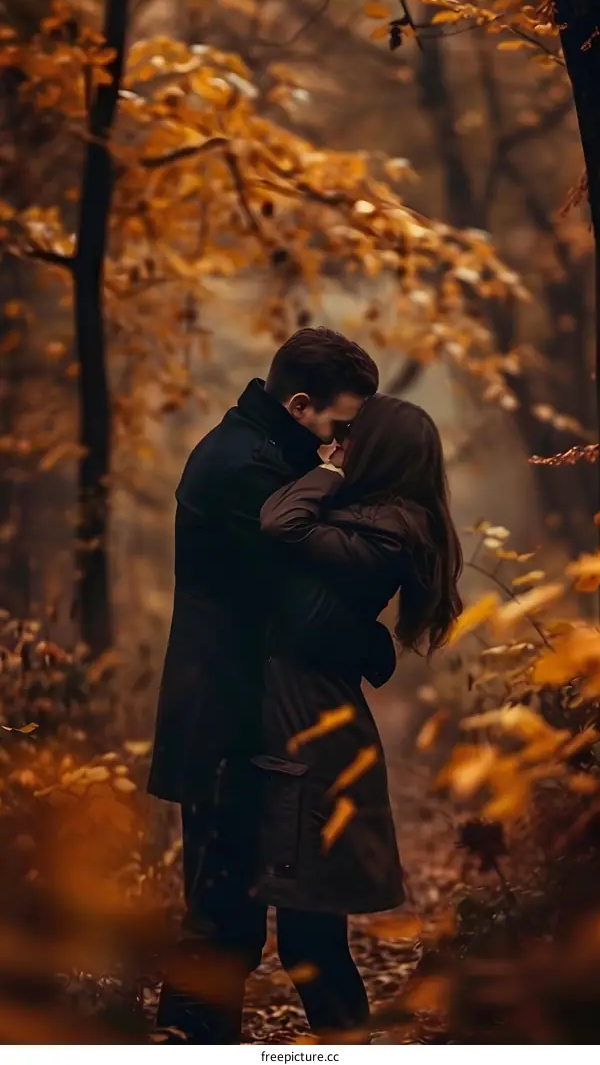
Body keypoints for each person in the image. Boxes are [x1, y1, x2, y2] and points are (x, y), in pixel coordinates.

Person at [147, 327, 382, 1044]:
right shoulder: (241, 467)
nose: (345, 442)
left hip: (264, 724)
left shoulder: (264, 455)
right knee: (222, 932)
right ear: (302, 404)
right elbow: (302, 604)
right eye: (342, 425)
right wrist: (372, 640)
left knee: (303, 926)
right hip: (228, 729)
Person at [252, 394, 463, 1039]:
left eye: (349, 436)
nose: (335, 441)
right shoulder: (380, 522)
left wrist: (331, 474)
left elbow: (280, 525)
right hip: (308, 729)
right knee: (309, 941)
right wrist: (366, 643)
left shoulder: (385, 527)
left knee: (311, 944)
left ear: (376, 450)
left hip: (317, 745)